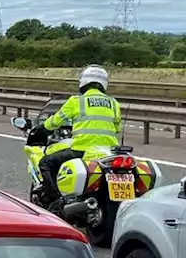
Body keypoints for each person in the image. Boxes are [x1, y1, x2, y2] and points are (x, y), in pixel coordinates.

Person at [35, 64, 122, 206]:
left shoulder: (76, 101)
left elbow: (56, 120)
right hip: (109, 152)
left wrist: (43, 127)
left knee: (45, 163)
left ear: (84, 82)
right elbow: (117, 128)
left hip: (82, 149)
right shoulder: (113, 103)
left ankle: (55, 200)